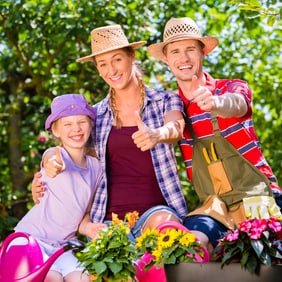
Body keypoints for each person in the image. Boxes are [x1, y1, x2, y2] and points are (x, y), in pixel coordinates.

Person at [32, 24, 188, 244]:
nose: (111, 70)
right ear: (97, 69)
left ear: (131, 56)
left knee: (173, 236)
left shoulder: (165, 101)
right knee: (117, 272)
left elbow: (176, 127)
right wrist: (46, 165)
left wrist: (158, 134)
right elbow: (69, 154)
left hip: (157, 212)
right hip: (108, 221)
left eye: (117, 59)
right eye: (103, 64)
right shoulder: (96, 115)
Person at [147, 17, 282, 254]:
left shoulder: (230, 88)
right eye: (176, 51)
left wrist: (215, 103)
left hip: (258, 198)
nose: (184, 58)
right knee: (190, 246)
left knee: (265, 255)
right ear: (166, 60)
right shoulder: (173, 107)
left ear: (203, 53)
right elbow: (171, 128)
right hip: (214, 207)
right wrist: (157, 134)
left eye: (191, 49)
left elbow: (237, 105)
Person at [15, 94, 103, 282]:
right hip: (33, 239)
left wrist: (89, 228)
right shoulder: (55, 154)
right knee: (51, 278)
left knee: (82, 279)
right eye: (67, 124)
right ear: (55, 130)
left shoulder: (96, 167)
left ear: (90, 125)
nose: (76, 129)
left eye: (82, 122)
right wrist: (53, 167)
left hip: (63, 246)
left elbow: (83, 212)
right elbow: (50, 161)